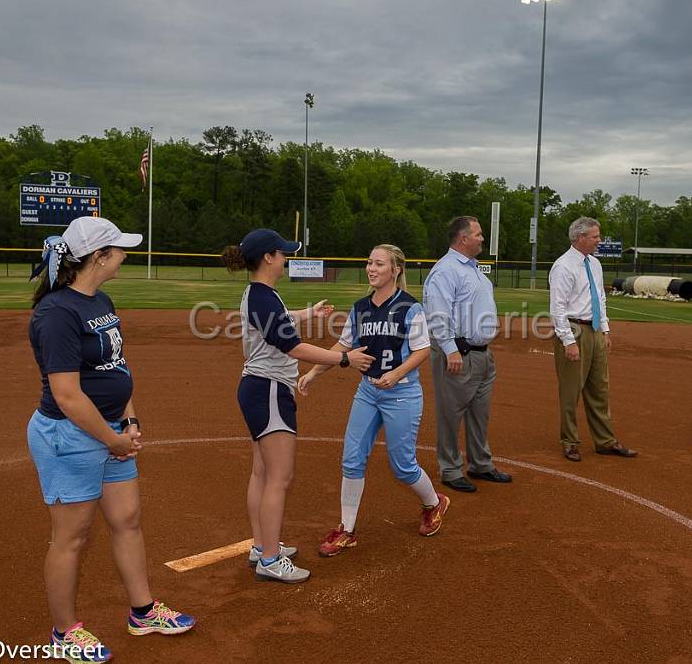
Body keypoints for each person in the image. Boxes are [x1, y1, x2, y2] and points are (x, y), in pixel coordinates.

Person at [27, 217, 195, 664]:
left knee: (127, 520)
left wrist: (130, 420)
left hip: (111, 429)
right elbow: (66, 395)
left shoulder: (100, 299)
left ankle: (142, 612)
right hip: (72, 435)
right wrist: (112, 440)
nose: (125, 254)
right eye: (118, 249)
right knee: (72, 537)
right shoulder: (58, 313)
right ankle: (64, 632)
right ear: (98, 257)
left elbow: (115, 367)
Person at [225, 228, 374, 583]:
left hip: (258, 388)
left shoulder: (259, 294)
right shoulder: (263, 297)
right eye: (282, 253)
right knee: (279, 476)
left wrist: (309, 312)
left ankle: (262, 547)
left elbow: (279, 319)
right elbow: (293, 347)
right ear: (268, 258)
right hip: (270, 390)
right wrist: (344, 359)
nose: (286, 258)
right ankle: (271, 559)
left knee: (262, 473)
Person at [298, 245, 450, 557]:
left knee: (403, 467)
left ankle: (434, 503)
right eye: (369, 262)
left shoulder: (410, 307)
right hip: (368, 392)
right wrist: (314, 372)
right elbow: (343, 345)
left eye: (379, 263)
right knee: (351, 457)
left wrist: (396, 374)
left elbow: (422, 350)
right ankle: (347, 530)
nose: (372, 268)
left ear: (395, 270)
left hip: (401, 393)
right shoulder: (360, 307)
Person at [422, 215, 512, 493]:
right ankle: (450, 469)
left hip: (482, 355)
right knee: (451, 413)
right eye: (479, 234)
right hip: (458, 353)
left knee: (479, 413)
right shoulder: (446, 270)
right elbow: (437, 315)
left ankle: (480, 464)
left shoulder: (474, 270)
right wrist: (450, 349)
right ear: (463, 238)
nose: (482, 238)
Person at [549, 217, 638, 462]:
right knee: (571, 391)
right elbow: (557, 308)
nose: (599, 241)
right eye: (595, 236)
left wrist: (605, 330)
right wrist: (568, 341)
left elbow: (600, 297)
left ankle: (605, 441)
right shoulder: (563, 266)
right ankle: (570, 441)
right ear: (580, 238)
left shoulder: (595, 264)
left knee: (600, 388)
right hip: (574, 330)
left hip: (595, 330)